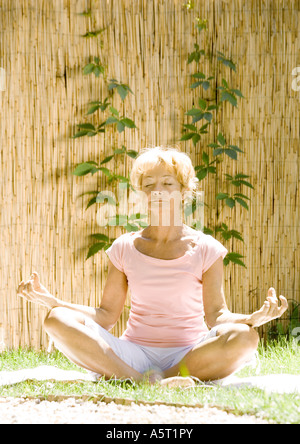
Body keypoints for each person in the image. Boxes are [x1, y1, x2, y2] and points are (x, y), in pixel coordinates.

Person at [17, 146, 288, 384]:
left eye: (167, 183)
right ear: (141, 194)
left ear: (184, 191)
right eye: (148, 185)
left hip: (190, 354)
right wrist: (52, 301)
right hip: (134, 353)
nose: (157, 191)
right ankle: (141, 380)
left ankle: (161, 379)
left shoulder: (207, 248)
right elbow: (105, 315)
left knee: (246, 337)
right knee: (56, 318)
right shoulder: (124, 247)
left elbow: (216, 316)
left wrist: (251, 319)